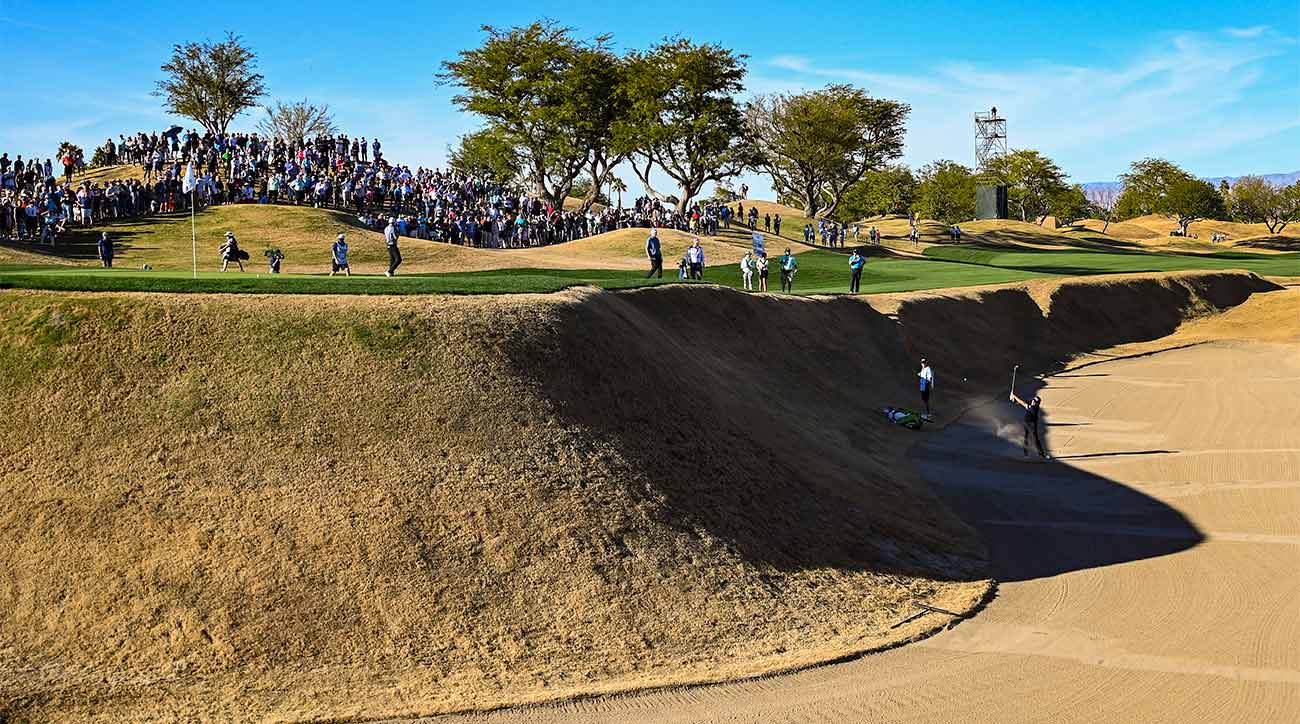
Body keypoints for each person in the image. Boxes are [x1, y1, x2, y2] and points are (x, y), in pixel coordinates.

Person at [1010, 392, 1048, 458]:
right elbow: (1021, 403)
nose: (1033, 401)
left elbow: (1024, 404)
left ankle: (1041, 454)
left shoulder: (1034, 408)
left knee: (1035, 439)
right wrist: (1014, 400)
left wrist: (1014, 396)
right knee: (1026, 438)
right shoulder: (1032, 404)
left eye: (1034, 401)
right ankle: (1026, 454)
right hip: (1026, 422)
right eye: (1033, 400)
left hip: (1032, 424)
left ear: (1037, 403)